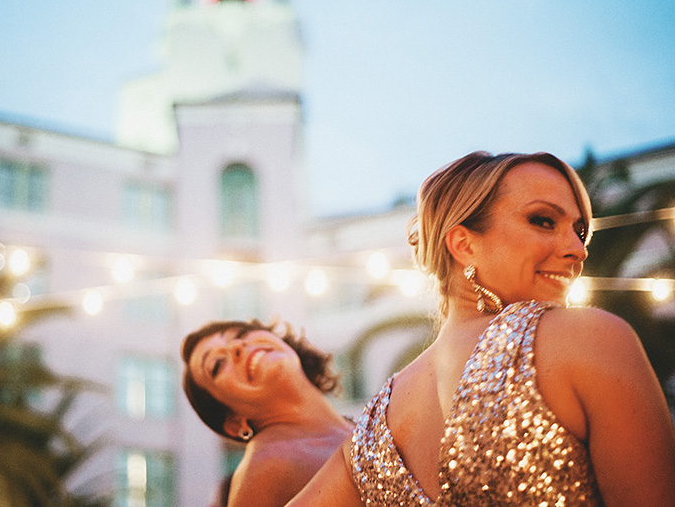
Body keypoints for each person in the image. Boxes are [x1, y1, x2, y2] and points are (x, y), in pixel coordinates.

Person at [286, 151, 675, 507]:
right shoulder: (590, 338)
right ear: (463, 244)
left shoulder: (372, 431)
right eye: (543, 221)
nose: (578, 249)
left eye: (579, 231)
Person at [181, 319, 353, 507]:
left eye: (240, 334)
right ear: (233, 422)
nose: (237, 346)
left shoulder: (359, 425)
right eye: (217, 364)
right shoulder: (262, 469)